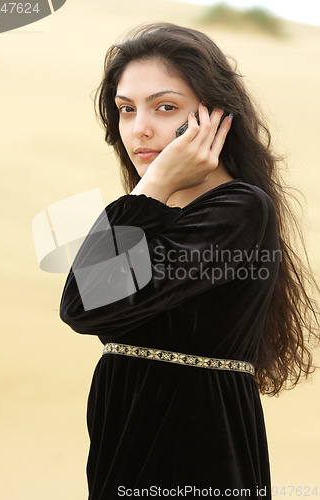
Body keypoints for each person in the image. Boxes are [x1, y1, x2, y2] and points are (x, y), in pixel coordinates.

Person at [59, 22, 319, 499]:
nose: (139, 128)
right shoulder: (148, 213)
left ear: (216, 116)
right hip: (124, 441)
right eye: (125, 109)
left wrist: (151, 188)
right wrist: (149, 197)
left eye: (165, 107)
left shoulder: (238, 208)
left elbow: (83, 306)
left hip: (196, 449)